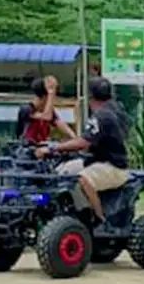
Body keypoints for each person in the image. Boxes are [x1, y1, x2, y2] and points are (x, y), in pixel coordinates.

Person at [36, 76, 129, 229]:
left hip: (113, 166)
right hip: (97, 161)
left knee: (83, 179)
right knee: (60, 173)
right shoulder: (116, 109)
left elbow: (83, 143)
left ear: (91, 97)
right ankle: (62, 212)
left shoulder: (102, 115)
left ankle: (97, 219)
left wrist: (53, 148)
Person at [17, 76, 77, 144]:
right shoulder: (26, 109)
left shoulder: (49, 112)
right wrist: (51, 93)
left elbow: (59, 123)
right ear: (44, 97)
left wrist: (75, 138)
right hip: (26, 148)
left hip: (41, 148)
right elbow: (46, 117)